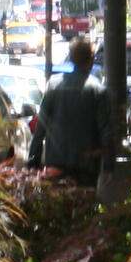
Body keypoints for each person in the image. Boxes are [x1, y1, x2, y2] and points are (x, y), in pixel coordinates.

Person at [33, 38, 111, 186]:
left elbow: (40, 127)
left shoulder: (53, 85)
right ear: (91, 59)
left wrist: (34, 160)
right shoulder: (98, 90)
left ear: (71, 58)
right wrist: (108, 166)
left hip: (55, 162)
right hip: (86, 166)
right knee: (85, 204)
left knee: (58, 204)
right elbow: (106, 132)